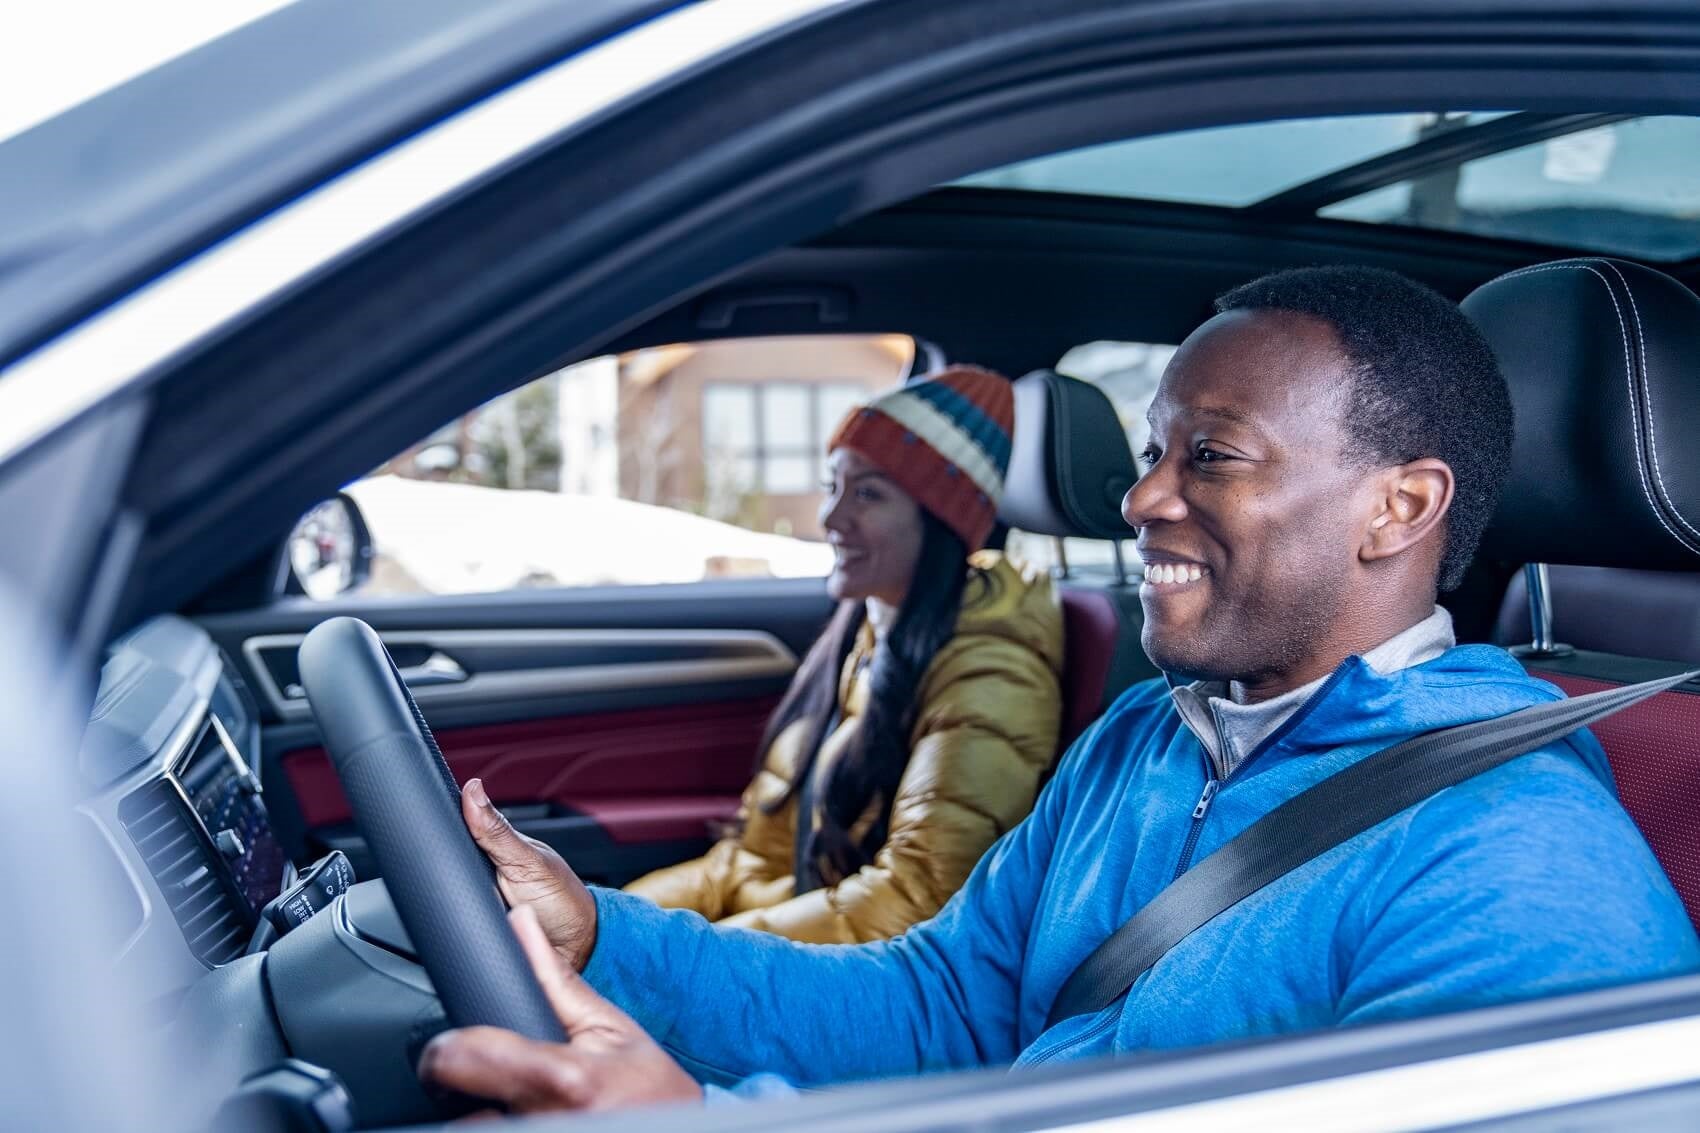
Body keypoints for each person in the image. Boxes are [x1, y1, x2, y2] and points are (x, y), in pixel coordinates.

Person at [420, 267, 1700, 1113]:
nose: (1140, 497)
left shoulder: (1516, 868)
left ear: (1397, 507)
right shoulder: (1149, 737)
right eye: (1151, 452)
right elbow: (941, 1006)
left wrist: (707, 1118)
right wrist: (602, 936)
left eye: (1210, 455)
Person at [626, 364, 1064, 942]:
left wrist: (681, 957)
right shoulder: (870, 634)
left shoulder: (994, 673)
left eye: (867, 494)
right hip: (802, 941)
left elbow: (915, 899)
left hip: (861, 972)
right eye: (833, 486)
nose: (830, 518)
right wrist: (609, 920)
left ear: (940, 521)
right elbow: (751, 862)